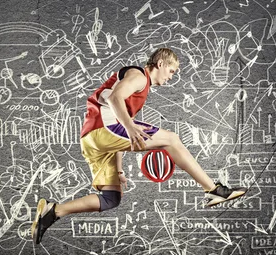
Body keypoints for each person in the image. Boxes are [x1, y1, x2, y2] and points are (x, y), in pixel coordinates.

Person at [31, 48, 247, 244]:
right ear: (160, 64)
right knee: (172, 139)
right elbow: (115, 99)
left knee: (110, 199)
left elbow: (117, 128)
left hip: (94, 138)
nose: (171, 77)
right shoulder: (139, 76)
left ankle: (53, 211)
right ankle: (214, 190)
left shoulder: (139, 87)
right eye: (171, 71)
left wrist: (119, 169)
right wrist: (130, 126)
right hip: (102, 129)